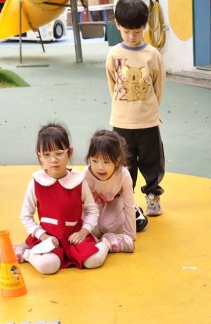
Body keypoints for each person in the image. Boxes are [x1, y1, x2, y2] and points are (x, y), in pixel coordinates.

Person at [19, 123, 108, 275]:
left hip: (75, 239)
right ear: (39, 155)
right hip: (49, 240)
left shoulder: (79, 181)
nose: (53, 160)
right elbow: (26, 216)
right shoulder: (35, 183)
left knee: (93, 261)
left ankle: (107, 242)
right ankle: (26, 253)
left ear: (69, 152)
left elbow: (92, 211)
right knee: (48, 266)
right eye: (47, 154)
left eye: (59, 153)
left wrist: (83, 232)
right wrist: (43, 236)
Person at [106, 0, 166, 217]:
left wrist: (148, 110)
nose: (132, 36)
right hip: (121, 122)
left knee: (152, 161)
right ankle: (126, 199)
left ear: (145, 25)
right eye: (126, 31)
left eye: (137, 31)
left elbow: (158, 87)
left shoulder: (152, 54)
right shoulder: (114, 54)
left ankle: (152, 196)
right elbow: (113, 85)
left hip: (148, 121)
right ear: (117, 25)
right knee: (124, 163)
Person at [83, 129, 136, 253]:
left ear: (117, 160)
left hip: (116, 200)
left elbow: (129, 205)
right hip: (95, 203)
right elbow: (80, 206)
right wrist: (83, 232)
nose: (100, 167)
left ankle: (135, 215)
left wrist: (130, 235)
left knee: (107, 226)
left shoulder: (123, 175)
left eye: (106, 162)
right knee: (95, 230)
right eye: (94, 161)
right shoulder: (85, 176)